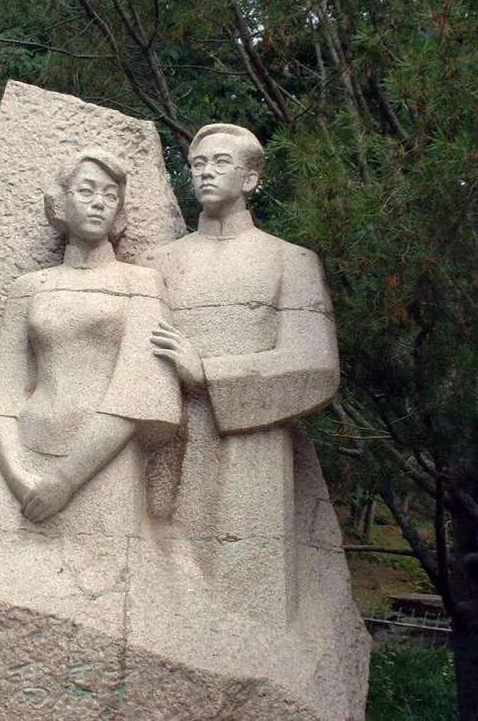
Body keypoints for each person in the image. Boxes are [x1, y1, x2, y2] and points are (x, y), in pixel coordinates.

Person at [140, 123, 339, 619]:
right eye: (198, 164)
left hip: (253, 447)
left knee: (249, 601)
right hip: (170, 441)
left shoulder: (290, 260)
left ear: (250, 179)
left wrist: (208, 372)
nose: (206, 172)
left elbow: (314, 365)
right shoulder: (157, 264)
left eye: (220, 162)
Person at [0, 149, 181, 524]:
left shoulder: (142, 284)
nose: (99, 203)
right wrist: (19, 479)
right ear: (61, 201)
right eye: (86, 191)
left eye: (110, 195)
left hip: (107, 458)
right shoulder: (30, 287)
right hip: (29, 451)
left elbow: (141, 393)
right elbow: (1, 396)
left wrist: (66, 480)